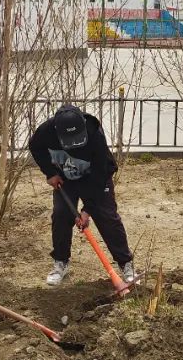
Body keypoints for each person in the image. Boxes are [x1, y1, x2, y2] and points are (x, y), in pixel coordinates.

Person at [28, 104, 135, 287]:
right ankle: (60, 262)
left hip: (94, 179)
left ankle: (126, 263)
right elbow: (35, 147)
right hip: (65, 179)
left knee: (107, 217)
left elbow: (101, 174)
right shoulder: (46, 131)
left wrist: (88, 210)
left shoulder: (94, 134)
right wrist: (50, 173)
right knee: (61, 214)